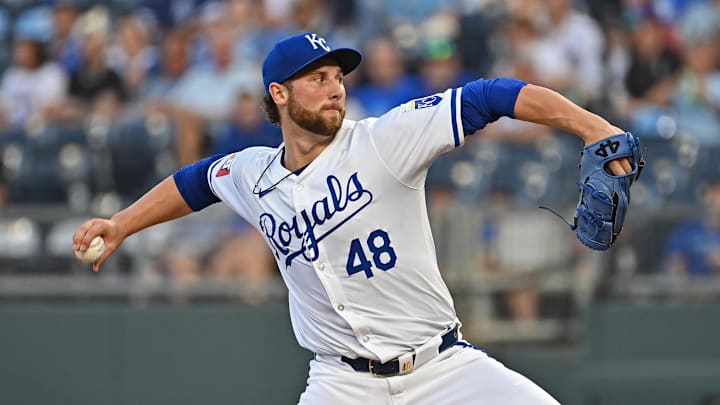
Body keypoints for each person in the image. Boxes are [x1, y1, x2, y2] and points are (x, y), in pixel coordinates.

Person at [73, 32, 633, 404]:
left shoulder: (384, 140)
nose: (334, 87)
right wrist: (121, 224)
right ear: (279, 93)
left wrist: (591, 126)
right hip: (341, 384)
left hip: (442, 371)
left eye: (337, 77)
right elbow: (194, 183)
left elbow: (491, 95)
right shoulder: (252, 173)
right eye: (317, 78)